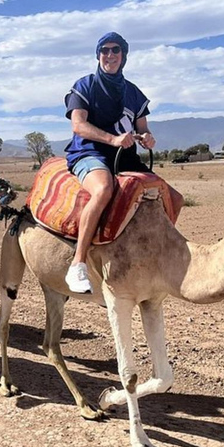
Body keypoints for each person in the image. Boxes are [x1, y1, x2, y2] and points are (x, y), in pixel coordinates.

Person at [63, 32, 156, 294]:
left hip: (124, 156)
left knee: (167, 194)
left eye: (116, 50)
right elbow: (79, 125)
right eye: (105, 50)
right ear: (98, 55)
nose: (110, 55)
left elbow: (142, 128)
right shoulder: (84, 86)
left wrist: (147, 138)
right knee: (104, 189)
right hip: (89, 152)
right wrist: (112, 139)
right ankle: (78, 263)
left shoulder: (134, 94)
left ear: (124, 56)